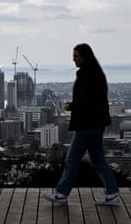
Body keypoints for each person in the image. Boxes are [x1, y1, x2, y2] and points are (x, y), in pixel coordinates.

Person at [44, 43, 119, 205]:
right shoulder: (97, 73)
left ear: (85, 57)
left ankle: (62, 193)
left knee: (72, 159)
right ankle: (112, 192)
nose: (74, 60)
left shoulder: (86, 75)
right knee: (98, 159)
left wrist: (70, 106)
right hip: (97, 123)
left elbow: (86, 101)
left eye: (76, 56)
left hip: (87, 124)